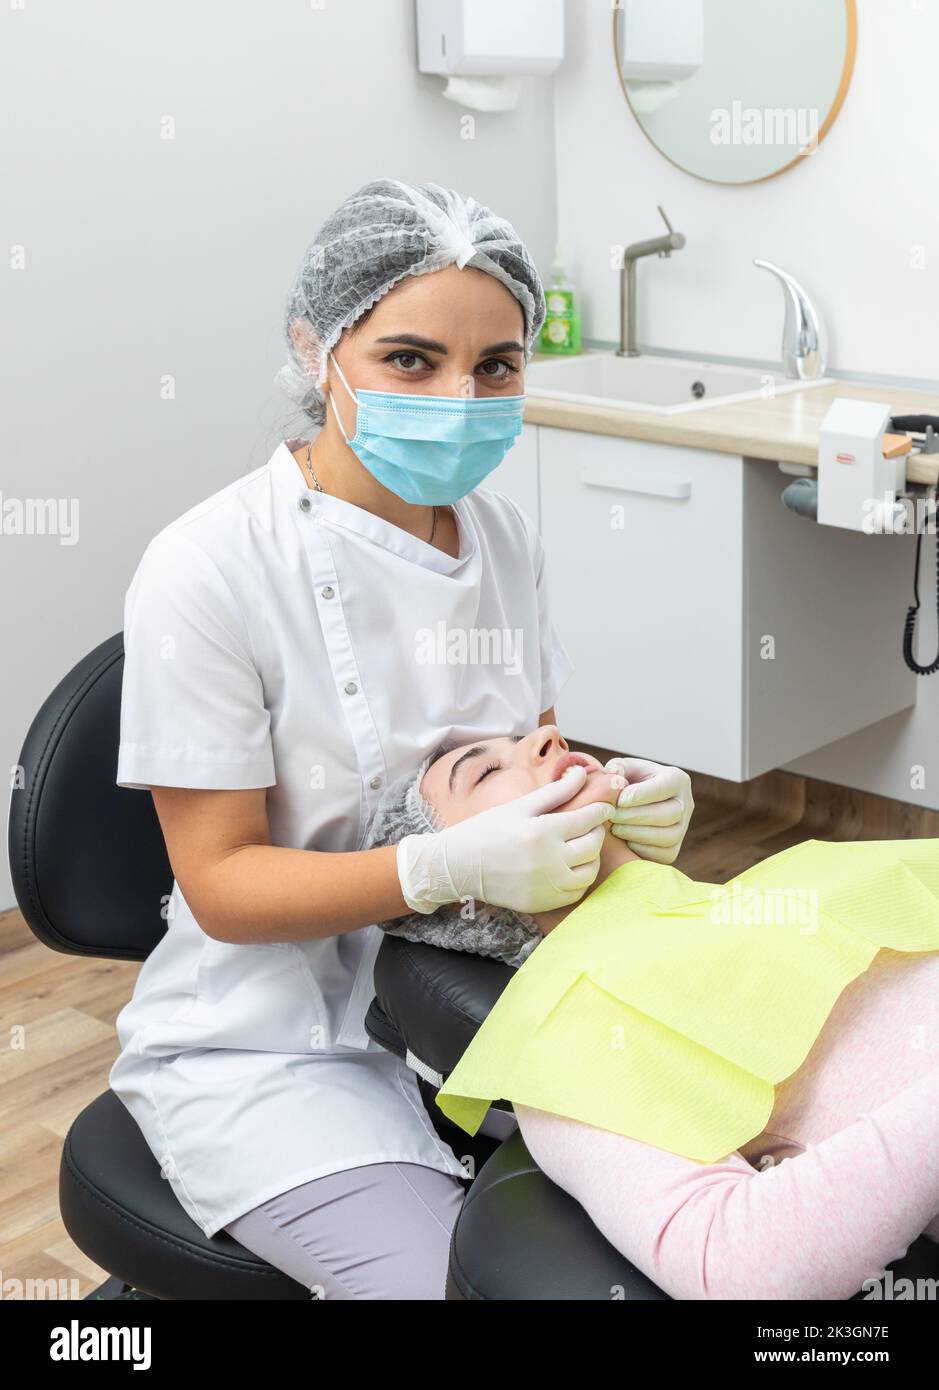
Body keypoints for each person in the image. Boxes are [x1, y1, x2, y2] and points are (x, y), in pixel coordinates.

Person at [108, 178, 695, 1301]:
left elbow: (528, 747)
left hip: (466, 1005)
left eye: (498, 366)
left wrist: (614, 796)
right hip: (269, 1051)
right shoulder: (209, 569)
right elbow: (222, 883)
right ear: (315, 348)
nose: (462, 397)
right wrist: (433, 870)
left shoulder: (504, 536)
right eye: (412, 360)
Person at [363, 726, 939, 1301]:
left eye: (524, 738)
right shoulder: (573, 1041)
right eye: (485, 773)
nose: (548, 735)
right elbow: (739, 1269)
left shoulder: (739, 900)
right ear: (471, 890)